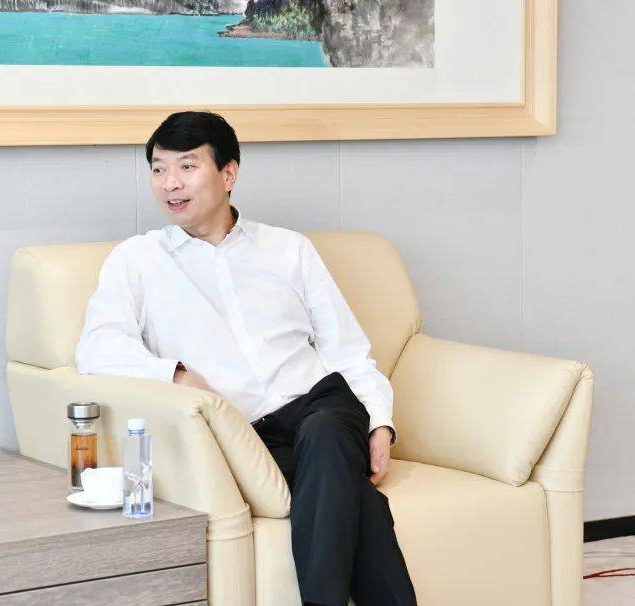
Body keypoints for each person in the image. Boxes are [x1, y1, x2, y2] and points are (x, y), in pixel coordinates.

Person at [75, 111, 418, 606]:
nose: (170, 184)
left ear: (228, 173)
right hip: (249, 434)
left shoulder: (289, 249)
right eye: (158, 169)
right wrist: (175, 374)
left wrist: (380, 421)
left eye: (187, 167)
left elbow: (347, 351)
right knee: (358, 501)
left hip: (322, 405)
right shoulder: (137, 261)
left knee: (325, 435)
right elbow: (97, 347)